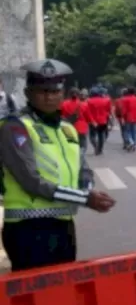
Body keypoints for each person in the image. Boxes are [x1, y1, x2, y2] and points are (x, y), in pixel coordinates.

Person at [0, 59, 116, 271]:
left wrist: (88, 189)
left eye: (55, 91)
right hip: (27, 228)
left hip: (63, 224)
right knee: (37, 299)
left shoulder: (66, 128)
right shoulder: (15, 127)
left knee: (63, 295)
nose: (49, 97)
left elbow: (83, 169)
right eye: (42, 91)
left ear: (62, 93)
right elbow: (31, 181)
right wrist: (84, 198)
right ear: (28, 93)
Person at [61, 88, 93, 154]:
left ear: (69, 94)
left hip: (68, 127)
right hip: (81, 128)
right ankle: (80, 157)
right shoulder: (84, 105)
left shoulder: (63, 104)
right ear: (79, 95)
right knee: (83, 146)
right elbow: (88, 117)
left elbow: (61, 117)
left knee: (71, 144)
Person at [87, 88, 112, 155]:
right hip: (103, 121)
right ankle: (100, 149)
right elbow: (108, 111)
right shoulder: (106, 100)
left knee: (92, 136)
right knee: (101, 135)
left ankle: (96, 147)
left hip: (92, 121)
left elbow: (87, 111)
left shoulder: (89, 101)